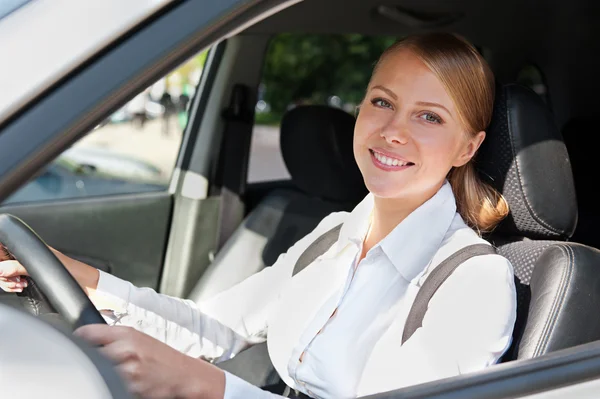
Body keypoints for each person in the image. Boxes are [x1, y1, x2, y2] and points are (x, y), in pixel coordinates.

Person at [0, 33, 516, 399]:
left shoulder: (474, 281)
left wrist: (202, 385)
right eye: (382, 102)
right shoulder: (333, 235)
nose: (393, 131)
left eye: (429, 116)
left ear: (468, 147)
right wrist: (77, 277)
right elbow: (211, 327)